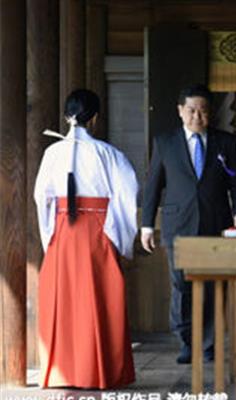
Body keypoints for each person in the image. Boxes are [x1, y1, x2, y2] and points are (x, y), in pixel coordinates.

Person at [34, 89, 138, 388]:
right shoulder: (109, 154)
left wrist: (49, 236)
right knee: (100, 299)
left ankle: (59, 372)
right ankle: (100, 370)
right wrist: (119, 236)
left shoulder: (52, 153)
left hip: (63, 230)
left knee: (63, 299)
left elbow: (42, 198)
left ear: (67, 117)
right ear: (95, 119)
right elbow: (127, 195)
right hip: (97, 230)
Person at [141, 84, 236, 364]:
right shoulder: (165, 142)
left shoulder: (227, 142)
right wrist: (147, 225)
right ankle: (187, 341)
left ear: (210, 113)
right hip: (178, 224)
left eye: (203, 111)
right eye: (191, 110)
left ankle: (209, 343)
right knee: (182, 286)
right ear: (180, 111)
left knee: (214, 285)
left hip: (216, 221)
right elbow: (153, 186)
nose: (197, 116)